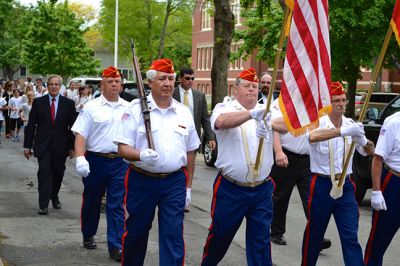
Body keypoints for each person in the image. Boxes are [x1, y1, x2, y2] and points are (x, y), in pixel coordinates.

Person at [113, 58, 200, 266]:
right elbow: (122, 148)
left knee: (173, 234)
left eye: (171, 79)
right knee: (136, 232)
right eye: (162, 79)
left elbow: (191, 151)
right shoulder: (134, 109)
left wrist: (188, 187)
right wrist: (140, 155)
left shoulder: (183, 112)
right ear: (151, 82)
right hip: (142, 180)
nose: (168, 83)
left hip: (174, 181)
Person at [201, 68, 287, 266]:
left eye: (255, 87)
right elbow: (221, 122)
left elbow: (289, 125)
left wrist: (269, 121)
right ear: (236, 89)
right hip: (231, 188)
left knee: (261, 241)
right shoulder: (225, 107)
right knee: (220, 236)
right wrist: (251, 114)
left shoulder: (267, 110)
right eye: (247, 86)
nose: (252, 90)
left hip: (262, 188)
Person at [301, 82, 375, 266]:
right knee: (315, 234)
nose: (341, 103)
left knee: (350, 235)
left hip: (346, 186)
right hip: (321, 185)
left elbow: (372, 150)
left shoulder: (352, 125)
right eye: (336, 100)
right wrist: (341, 132)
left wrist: (363, 140)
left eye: (343, 100)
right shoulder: (318, 123)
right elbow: (312, 137)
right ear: (329, 103)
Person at [72, 66, 129, 262]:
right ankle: (88, 233)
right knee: (92, 201)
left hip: (120, 162)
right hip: (95, 160)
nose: (114, 85)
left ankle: (116, 245)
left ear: (121, 85)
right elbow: (81, 135)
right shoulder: (91, 107)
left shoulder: (129, 108)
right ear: (102, 85)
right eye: (110, 82)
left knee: (116, 204)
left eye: (117, 82)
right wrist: (80, 157)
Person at [269, 97, 331, 250]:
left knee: (311, 199)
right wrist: (278, 151)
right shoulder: (280, 103)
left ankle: (316, 235)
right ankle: (276, 232)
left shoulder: (312, 101)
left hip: (307, 160)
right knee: (280, 197)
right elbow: (274, 128)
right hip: (286, 157)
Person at [23, 74, 76, 215]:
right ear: (47, 86)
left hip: (61, 145)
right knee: (44, 173)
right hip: (43, 145)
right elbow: (31, 125)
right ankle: (43, 204)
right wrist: (27, 146)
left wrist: (72, 147)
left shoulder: (68, 104)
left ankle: (54, 195)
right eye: (51, 84)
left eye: (56, 84)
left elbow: (74, 127)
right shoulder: (38, 102)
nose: (53, 87)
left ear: (60, 86)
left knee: (58, 173)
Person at [173, 67, 216, 210]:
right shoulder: (172, 94)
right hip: (175, 137)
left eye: (192, 78)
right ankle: (174, 194)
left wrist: (210, 137)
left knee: (189, 168)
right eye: (187, 78)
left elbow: (205, 118)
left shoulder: (199, 96)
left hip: (192, 137)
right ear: (180, 79)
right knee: (177, 167)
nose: (190, 81)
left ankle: (186, 196)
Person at [364, 111, 400, 266]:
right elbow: (378, 158)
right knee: (379, 238)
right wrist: (377, 191)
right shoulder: (394, 122)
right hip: (394, 181)